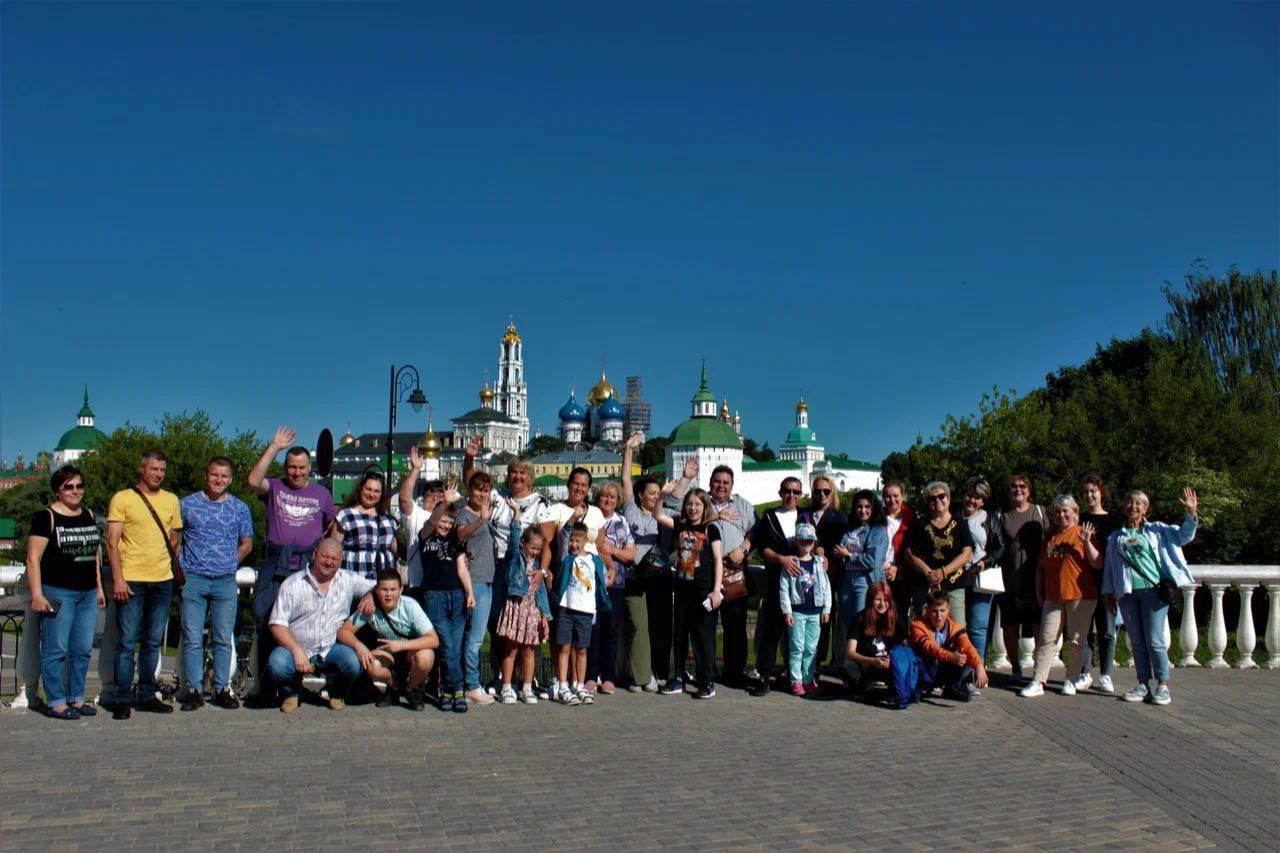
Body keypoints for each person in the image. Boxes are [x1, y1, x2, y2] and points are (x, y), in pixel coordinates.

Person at [247, 426, 336, 702]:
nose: (296, 473)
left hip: (307, 563)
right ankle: (267, 685)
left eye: (301, 468)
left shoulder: (322, 494)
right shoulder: (275, 486)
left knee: (304, 623)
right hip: (277, 562)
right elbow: (253, 481)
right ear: (285, 468)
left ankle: (294, 687)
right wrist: (274, 447)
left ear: (309, 468)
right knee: (267, 617)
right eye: (292, 467)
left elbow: (332, 528)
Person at [1101, 488, 1198, 706]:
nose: (1133, 507)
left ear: (1145, 509)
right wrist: (1109, 594)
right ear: (1124, 507)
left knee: (1154, 640)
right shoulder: (1116, 537)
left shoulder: (1158, 530)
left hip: (1153, 592)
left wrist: (1191, 513)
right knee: (1136, 641)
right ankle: (1142, 684)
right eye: (1129, 502)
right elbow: (1109, 568)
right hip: (1127, 594)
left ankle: (1162, 686)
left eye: (1138, 503)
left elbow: (1184, 536)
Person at [106, 449, 183, 720]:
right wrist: (118, 578)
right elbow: (112, 542)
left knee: (152, 641)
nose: (158, 474)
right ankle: (121, 697)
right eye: (154, 469)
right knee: (127, 642)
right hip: (132, 579)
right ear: (142, 469)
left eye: (162, 470)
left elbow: (175, 537)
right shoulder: (123, 498)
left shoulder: (171, 500)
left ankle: (148, 694)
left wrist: (167, 561)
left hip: (162, 580)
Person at [26, 465, 105, 719]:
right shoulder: (46, 517)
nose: (75, 491)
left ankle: (77, 698)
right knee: (56, 648)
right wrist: (37, 595)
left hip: (87, 593)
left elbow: (94, 555)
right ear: (58, 491)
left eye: (79, 485)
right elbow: (33, 558)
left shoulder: (88, 515)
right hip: (59, 592)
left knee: (82, 649)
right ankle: (56, 702)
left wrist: (99, 588)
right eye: (68, 487)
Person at [177, 457, 254, 712]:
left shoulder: (239, 508)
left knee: (223, 638)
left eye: (223, 476)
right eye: (214, 475)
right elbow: (175, 538)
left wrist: (229, 562)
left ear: (230, 479)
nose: (218, 480)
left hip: (224, 580)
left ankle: (222, 688)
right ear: (206, 475)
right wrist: (181, 567)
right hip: (193, 579)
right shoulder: (187, 504)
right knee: (192, 637)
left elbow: (247, 544)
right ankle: (194, 690)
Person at [266, 538, 375, 713]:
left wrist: (371, 596)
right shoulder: (292, 584)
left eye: (334, 559)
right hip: (297, 647)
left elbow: (378, 586)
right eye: (325, 557)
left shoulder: (348, 579)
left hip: (332, 647)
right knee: (277, 664)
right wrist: (296, 649)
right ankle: (291, 692)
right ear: (315, 554)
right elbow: (277, 624)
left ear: (341, 560)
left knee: (354, 663)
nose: (329, 562)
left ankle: (337, 691)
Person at [619, 435, 693, 693]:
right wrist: (629, 450)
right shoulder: (631, 509)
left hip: (659, 576)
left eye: (657, 493)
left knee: (661, 625)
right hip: (635, 576)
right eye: (651, 493)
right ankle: (639, 675)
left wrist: (685, 478)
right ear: (640, 495)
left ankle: (660, 672)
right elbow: (625, 479)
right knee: (638, 626)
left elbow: (679, 502)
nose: (654, 497)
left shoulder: (664, 513)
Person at [1020, 495, 1102, 698]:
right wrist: (1039, 591)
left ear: (1074, 512)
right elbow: (1041, 566)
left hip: (1080, 595)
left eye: (1065, 511)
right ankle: (1038, 681)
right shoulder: (1051, 536)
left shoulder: (1083, 532)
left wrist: (1087, 542)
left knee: (1076, 640)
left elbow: (1097, 563)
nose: (1061, 515)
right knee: (1046, 638)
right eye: (1057, 512)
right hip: (1054, 595)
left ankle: (1071, 680)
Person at [539, 467, 606, 700]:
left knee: (582, 640)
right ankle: (560, 681)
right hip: (565, 580)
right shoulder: (556, 509)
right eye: (576, 483)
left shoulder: (596, 513)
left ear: (589, 489)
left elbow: (601, 547)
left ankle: (579, 682)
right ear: (569, 484)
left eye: (584, 485)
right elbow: (550, 544)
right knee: (562, 637)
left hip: (588, 583)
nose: (579, 488)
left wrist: (609, 570)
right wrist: (546, 571)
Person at [653, 488, 724, 699]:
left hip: (703, 588)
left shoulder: (711, 528)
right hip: (682, 587)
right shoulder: (681, 525)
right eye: (690, 504)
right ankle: (678, 677)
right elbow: (658, 515)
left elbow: (718, 559)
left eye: (697, 504)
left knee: (702, 636)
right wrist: (663, 496)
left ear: (704, 507)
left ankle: (707, 681)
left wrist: (716, 590)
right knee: (680, 634)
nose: (693, 508)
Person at [337, 567, 439, 711]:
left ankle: (411, 689)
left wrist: (401, 645)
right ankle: (394, 686)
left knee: (426, 656)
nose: (389, 594)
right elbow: (343, 631)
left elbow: (434, 640)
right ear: (376, 590)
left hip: (410, 652)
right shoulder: (370, 607)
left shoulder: (410, 606)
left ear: (401, 589)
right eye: (384, 590)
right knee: (371, 664)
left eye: (393, 589)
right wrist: (359, 646)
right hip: (387, 654)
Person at [748, 477, 804, 697]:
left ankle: (797, 676)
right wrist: (782, 559)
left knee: (799, 632)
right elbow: (764, 550)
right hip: (775, 581)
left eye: (796, 492)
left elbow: (815, 544)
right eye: (787, 491)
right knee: (771, 630)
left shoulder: (805, 516)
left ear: (800, 495)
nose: (791, 496)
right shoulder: (770, 517)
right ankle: (764, 675)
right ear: (781, 493)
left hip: (801, 583)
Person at [705, 463, 757, 689]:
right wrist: (716, 516)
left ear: (732, 485)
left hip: (734, 572)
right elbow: (688, 522)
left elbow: (756, 530)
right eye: (717, 481)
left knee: (735, 626)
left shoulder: (742, 505)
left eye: (726, 482)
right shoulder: (701, 501)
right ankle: (706, 671)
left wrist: (744, 548)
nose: (721, 486)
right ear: (710, 483)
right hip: (707, 572)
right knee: (705, 626)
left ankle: (734, 672)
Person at [419, 503, 473, 713]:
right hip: (435, 596)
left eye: (450, 523)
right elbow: (432, 521)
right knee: (447, 646)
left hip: (456, 595)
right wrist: (444, 503)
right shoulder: (425, 536)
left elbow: (462, 569)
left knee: (454, 648)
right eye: (443, 521)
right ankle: (458, 688)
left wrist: (470, 593)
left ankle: (447, 691)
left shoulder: (455, 540)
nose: (445, 526)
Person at [551, 523, 611, 706]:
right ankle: (563, 685)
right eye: (571, 541)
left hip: (586, 611)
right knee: (564, 647)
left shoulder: (594, 561)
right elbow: (564, 534)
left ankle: (579, 685)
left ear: (586, 541)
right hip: (567, 609)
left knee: (582, 649)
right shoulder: (568, 558)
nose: (574, 545)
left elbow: (602, 580)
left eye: (578, 541)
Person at [495, 509, 551, 705]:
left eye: (538, 549)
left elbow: (541, 594)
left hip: (532, 611)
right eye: (532, 547)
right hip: (516, 608)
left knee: (529, 650)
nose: (535, 552)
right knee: (511, 649)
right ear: (523, 544)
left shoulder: (538, 568)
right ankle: (506, 687)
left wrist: (544, 616)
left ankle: (527, 687)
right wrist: (516, 517)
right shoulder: (515, 559)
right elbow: (513, 541)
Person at [454, 472, 501, 707]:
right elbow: (460, 535)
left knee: (477, 635)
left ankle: (471, 682)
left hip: (488, 579)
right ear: (469, 491)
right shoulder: (464, 513)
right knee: (474, 637)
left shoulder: (487, 514)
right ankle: (471, 685)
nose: (482, 494)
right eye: (478, 489)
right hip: (475, 580)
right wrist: (480, 520)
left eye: (486, 490)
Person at [902, 481, 974, 626]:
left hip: (953, 584)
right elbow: (909, 553)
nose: (937, 500)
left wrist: (943, 571)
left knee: (957, 628)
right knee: (924, 629)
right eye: (932, 498)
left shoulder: (960, 524)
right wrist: (928, 573)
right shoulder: (919, 525)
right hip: (924, 585)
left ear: (949, 498)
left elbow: (967, 553)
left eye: (941, 496)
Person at [588, 481, 635, 694]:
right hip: (590, 582)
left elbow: (631, 554)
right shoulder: (590, 518)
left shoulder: (621, 522)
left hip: (616, 583)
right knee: (593, 628)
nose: (608, 500)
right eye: (604, 496)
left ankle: (608, 676)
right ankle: (590, 675)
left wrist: (612, 551)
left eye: (613, 497)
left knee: (611, 629)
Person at [998, 474, 1047, 680]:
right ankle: (1016, 667)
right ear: (1008, 491)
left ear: (1029, 490)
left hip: (1036, 578)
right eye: (1013, 486)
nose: (1018, 489)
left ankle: (1039, 669)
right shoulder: (1003, 516)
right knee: (1010, 625)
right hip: (1010, 578)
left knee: (1038, 624)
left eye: (1022, 486)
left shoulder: (1040, 511)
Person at [1078, 473, 1122, 694]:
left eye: (1093, 491)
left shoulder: (1114, 521)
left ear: (1101, 492)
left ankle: (1105, 674)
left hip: (1106, 582)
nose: (1089, 495)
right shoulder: (1079, 518)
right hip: (1082, 582)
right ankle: (1084, 673)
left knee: (1107, 629)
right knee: (1083, 629)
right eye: (1086, 492)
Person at [959, 478, 1007, 666]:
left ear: (983, 501)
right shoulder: (954, 516)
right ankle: (959, 669)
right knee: (958, 626)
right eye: (969, 495)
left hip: (980, 577)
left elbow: (1001, 547)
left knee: (978, 627)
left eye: (977, 498)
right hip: (957, 578)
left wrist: (984, 563)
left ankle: (977, 668)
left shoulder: (990, 518)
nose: (972, 500)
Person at [909, 590, 989, 701]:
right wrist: (951, 657)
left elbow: (968, 647)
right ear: (927, 610)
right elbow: (929, 648)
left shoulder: (956, 628)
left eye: (942, 611)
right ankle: (921, 687)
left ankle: (952, 687)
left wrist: (978, 665)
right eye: (934, 611)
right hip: (924, 669)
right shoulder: (917, 626)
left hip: (942, 669)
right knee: (926, 656)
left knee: (966, 655)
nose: (939, 616)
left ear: (948, 610)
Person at [780, 523, 831, 696]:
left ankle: (808, 680)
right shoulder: (791, 563)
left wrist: (827, 609)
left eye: (810, 540)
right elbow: (784, 588)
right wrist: (787, 611)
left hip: (815, 612)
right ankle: (796, 680)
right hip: (797, 612)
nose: (806, 544)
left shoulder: (819, 563)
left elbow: (826, 587)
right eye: (803, 540)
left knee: (811, 648)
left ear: (814, 542)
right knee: (797, 647)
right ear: (797, 542)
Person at [832, 490, 889, 647]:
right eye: (859, 506)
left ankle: (865, 655)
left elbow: (873, 561)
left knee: (863, 622)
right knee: (848, 624)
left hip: (866, 580)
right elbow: (839, 551)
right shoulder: (849, 529)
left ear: (874, 508)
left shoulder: (877, 531)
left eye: (867, 506)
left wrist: (849, 555)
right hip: (846, 579)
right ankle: (850, 658)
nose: (863, 510)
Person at [801, 476, 847, 669]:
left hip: (830, 573)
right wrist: (814, 549)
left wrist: (826, 552)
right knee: (806, 617)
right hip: (807, 574)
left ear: (832, 493)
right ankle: (806, 661)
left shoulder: (839, 518)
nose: (822, 495)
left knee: (828, 617)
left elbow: (842, 545)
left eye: (826, 491)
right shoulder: (804, 515)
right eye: (818, 491)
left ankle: (825, 659)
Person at [399, 446, 454, 605]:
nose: (435, 498)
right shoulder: (416, 514)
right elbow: (404, 500)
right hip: (418, 584)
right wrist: (416, 469)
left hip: (443, 587)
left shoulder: (451, 517)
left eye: (440, 495)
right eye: (431, 494)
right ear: (423, 497)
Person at [329, 471, 398, 579]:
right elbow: (333, 547)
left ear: (381, 494)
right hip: (354, 576)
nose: (372, 494)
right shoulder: (346, 515)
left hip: (383, 578)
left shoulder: (388, 518)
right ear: (360, 489)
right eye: (368, 489)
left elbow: (393, 547)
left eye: (376, 491)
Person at [843, 581, 901, 701]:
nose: (882, 604)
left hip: (889, 664)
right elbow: (849, 652)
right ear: (870, 600)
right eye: (878, 600)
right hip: (867, 663)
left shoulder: (895, 619)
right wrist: (873, 661)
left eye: (886, 600)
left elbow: (905, 648)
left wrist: (893, 660)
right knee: (848, 667)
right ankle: (860, 688)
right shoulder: (859, 619)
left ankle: (893, 689)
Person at [881, 481, 918, 622]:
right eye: (887, 496)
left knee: (899, 617)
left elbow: (914, 549)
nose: (892, 500)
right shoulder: (877, 518)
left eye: (895, 496)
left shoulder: (911, 519)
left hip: (903, 575)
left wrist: (898, 568)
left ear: (902, 496)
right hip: (880, 572)